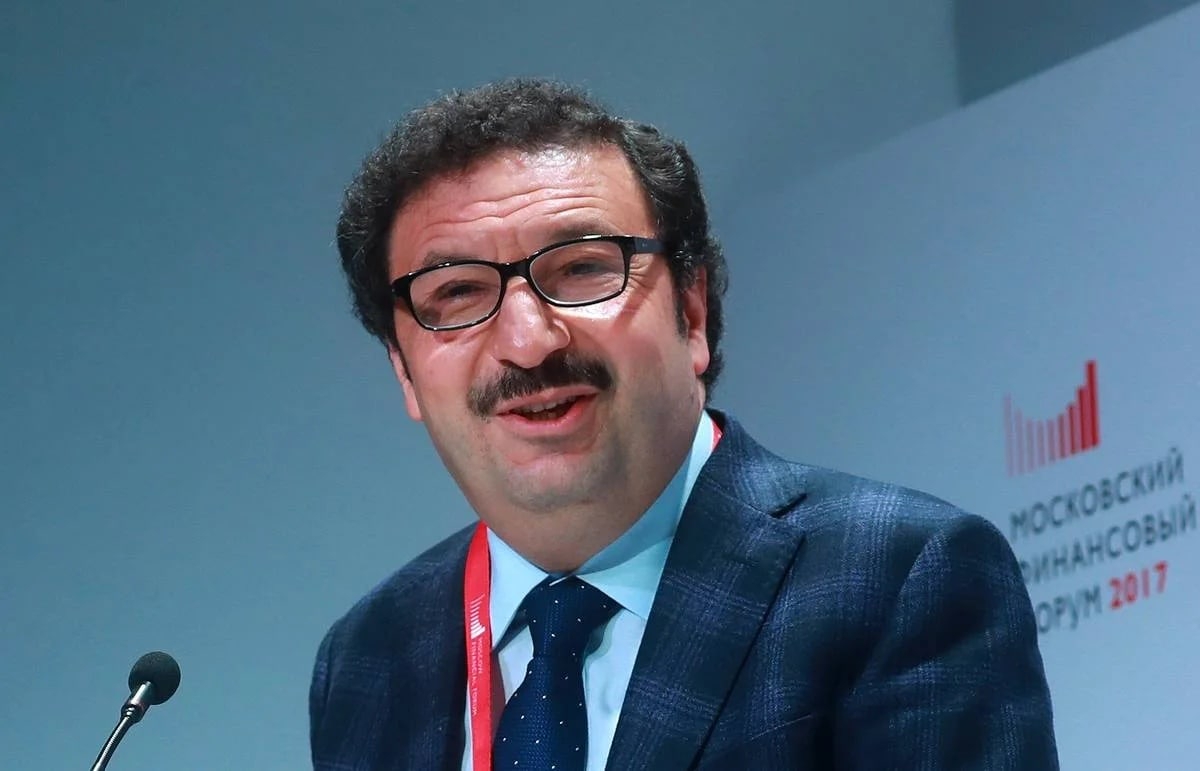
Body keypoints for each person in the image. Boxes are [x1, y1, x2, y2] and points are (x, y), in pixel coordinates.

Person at [309, 79, 1057, 770]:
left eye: (581, 268)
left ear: (692, 311)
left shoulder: (899, 575)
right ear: (404, 369)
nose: (529, 341)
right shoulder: (370, 657)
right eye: (458, 293)